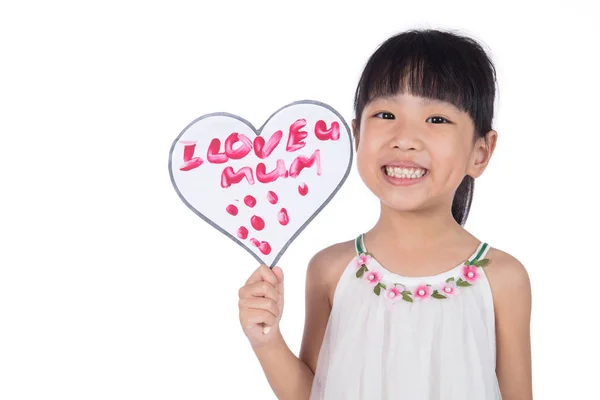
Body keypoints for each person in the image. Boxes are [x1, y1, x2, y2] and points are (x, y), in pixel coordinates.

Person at [238, 28, 532, 399]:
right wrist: (266, 339)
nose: (405, 137)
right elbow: (314, 393)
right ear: (357, 134)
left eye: (437, 119)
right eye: (386, 114)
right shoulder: (330, 270)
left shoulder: (503, 279)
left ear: (481, 151)